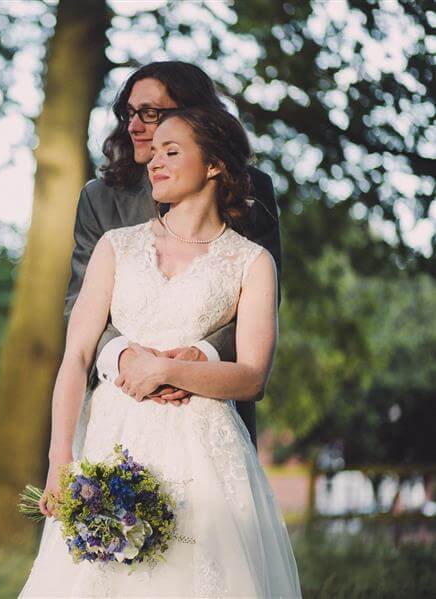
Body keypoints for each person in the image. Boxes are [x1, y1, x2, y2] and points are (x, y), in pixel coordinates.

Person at [17, 105, 301, 597]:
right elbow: (76, 359)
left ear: (214, 164)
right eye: (155, 152)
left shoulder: (251, 262)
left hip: (205, 455)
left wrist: (166, 368)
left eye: (172, 151)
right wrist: (59, 460)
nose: (154, 162)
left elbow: (253, 376)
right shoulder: (116, 246)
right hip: (110, 442)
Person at [65, 62, 282, 459]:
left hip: (210, 417)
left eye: (150, 112)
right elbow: (77, 307)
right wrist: (125, 357)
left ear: (194, 115)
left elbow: (259, 301)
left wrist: (200, 358)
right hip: (123, 407)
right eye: (129, 113)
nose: (134, 125)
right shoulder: (100, 198)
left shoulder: (254, 190)